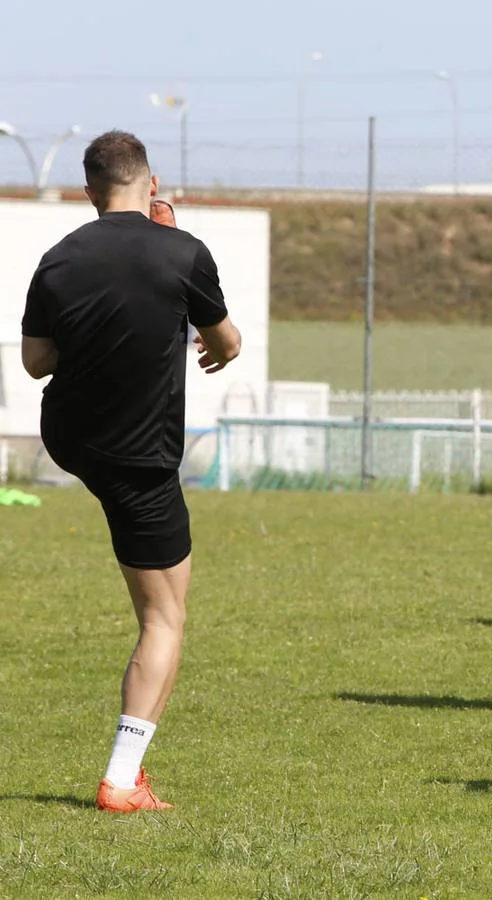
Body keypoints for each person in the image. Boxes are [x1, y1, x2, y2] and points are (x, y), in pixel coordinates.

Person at [21, 130, 242, 812]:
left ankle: (130, 776)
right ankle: (122, 780)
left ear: (89, 192)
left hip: (70, 438)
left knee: (167, 601)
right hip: (138, 458)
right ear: (151, 183)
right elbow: (226, 342)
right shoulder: (183, 251)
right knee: (165, 617)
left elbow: (36, 362)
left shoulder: (58, 259)